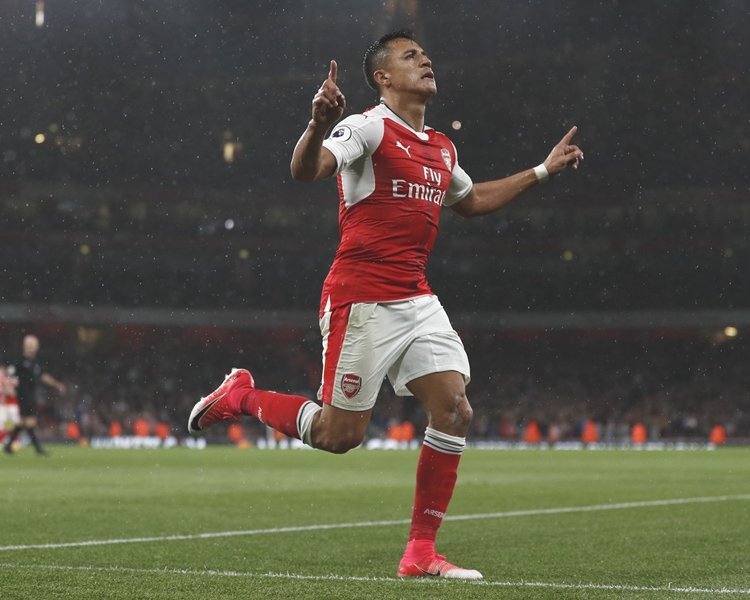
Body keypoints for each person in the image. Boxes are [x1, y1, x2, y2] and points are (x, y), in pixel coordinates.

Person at [187, 29, 583, 579]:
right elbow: (308, 170)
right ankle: (242, 394)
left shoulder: (442, 147)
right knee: (337, 435)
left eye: (425, 53)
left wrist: (541, 171)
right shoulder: (368, 126)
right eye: (411, 56)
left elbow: (471, 201)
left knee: (455, 409)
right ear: (383, 77)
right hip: (361, 296)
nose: (425, 60)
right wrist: (318, 121)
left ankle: (421, 552)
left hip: (417, 297)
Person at [2, 334, 66, 456]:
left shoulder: (35, 362)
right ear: (24, 346)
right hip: (23, 394)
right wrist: (8, 389)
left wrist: (56, 384)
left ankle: (8, 446)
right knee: (30, 421)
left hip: (31, 394)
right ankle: (38, 449)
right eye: (30, 345)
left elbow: (42, 375)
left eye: (34, 345)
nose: (32, 347)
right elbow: (10, 376)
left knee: (23, 422)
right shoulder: (19, 360)